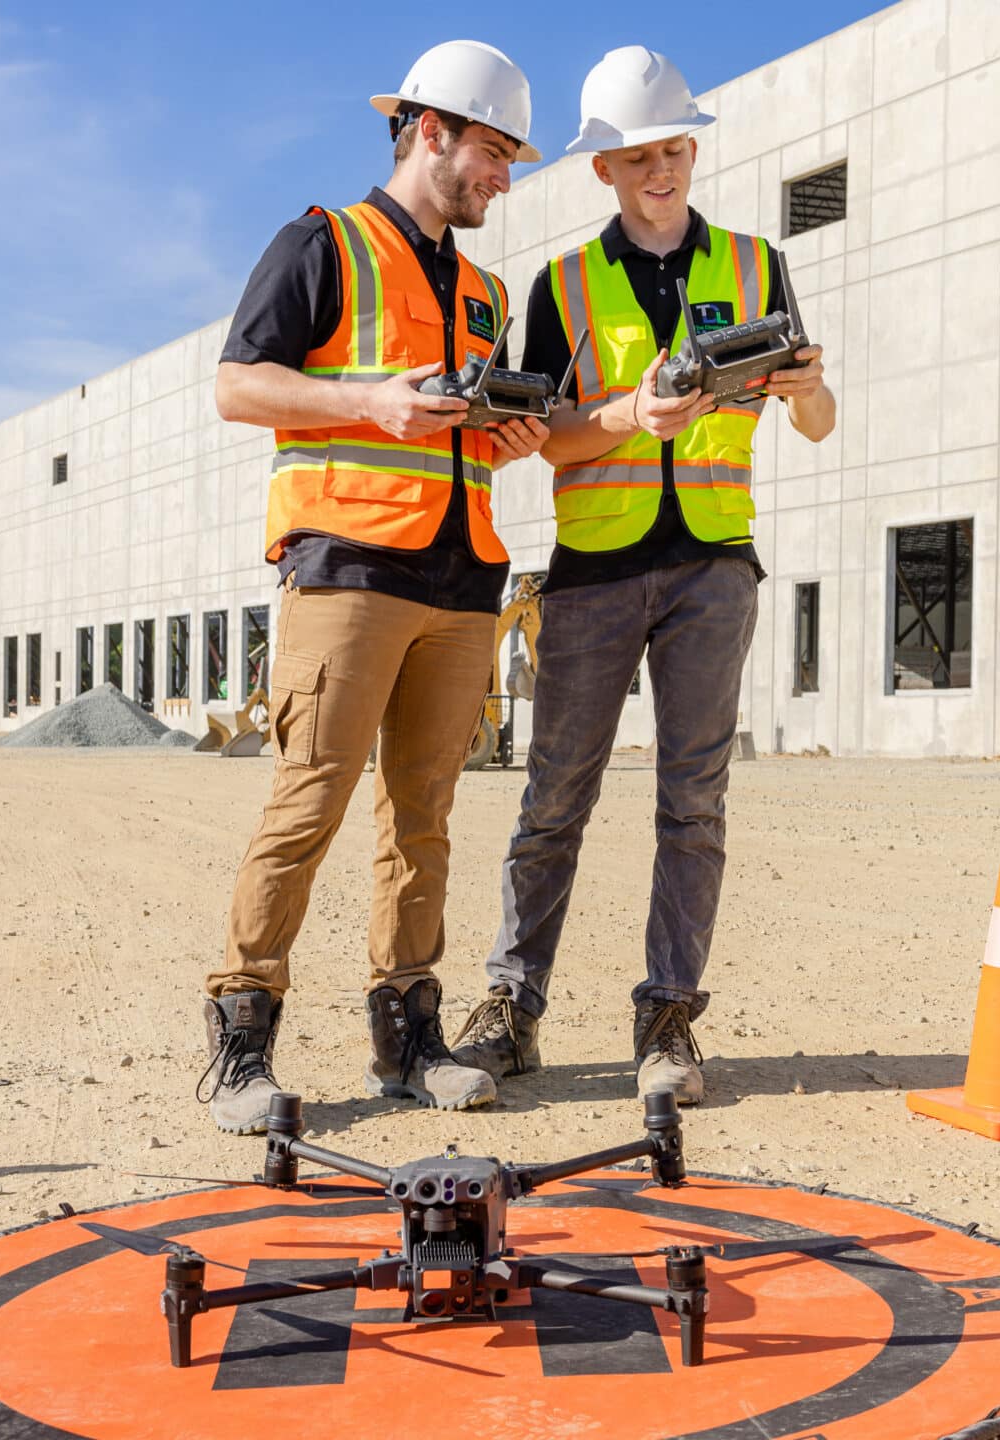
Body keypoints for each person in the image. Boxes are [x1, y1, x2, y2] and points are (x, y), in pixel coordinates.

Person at [450, 46, 835, 1105]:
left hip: (714, 564)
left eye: (672, 148)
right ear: (601, 172)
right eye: (636, 156)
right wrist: (627, 413)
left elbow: (813, 417)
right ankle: (511, 1008)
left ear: (691, 148)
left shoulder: (756, 266)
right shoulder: (563, 285)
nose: (659, 169)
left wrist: (807, 389)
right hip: (594, 570)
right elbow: (533, 435)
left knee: (693, 802)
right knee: (553, 798)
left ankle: (667, 1018)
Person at [199, 40, 553, 1134]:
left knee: (426, 820)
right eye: (494, 151)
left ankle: (409, 1038)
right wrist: (371, 403)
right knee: (306, 806)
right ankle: (240, 1044)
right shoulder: (324, 245)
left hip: (459, 582)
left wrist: (512, 433)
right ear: (429, 131)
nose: (504, 176)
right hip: (347, 572)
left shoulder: (486, 292)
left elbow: (461, 437)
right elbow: (236, 386)